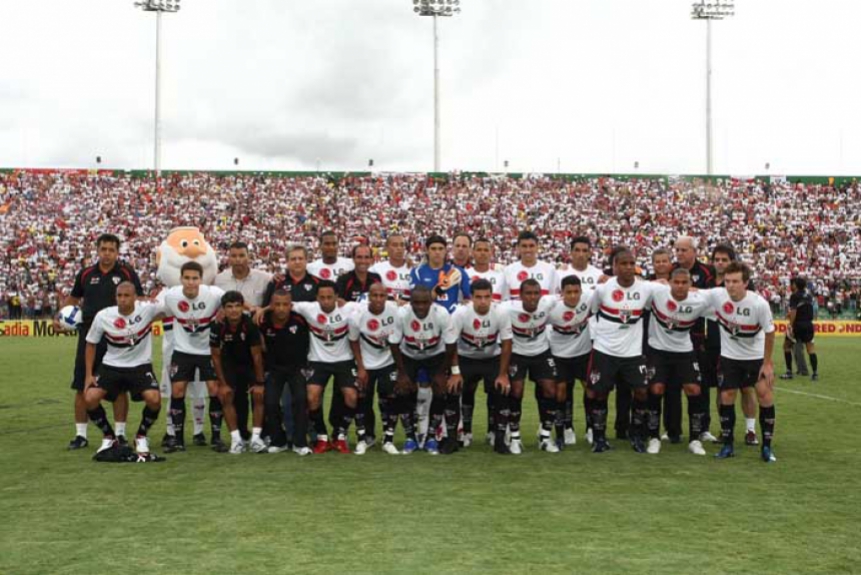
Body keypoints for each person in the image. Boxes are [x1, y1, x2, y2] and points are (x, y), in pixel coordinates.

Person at [57, 233, 142, 450]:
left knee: (119, 388)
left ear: (117, 251)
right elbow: (73, 299)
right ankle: (81, 435)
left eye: (111, 250)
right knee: (81, 385)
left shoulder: (126, 273)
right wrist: (60, 316)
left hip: (117, 337)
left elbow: (138, 299)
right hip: (88, 336)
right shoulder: (86, 274)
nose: (107, 253)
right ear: (98, 250)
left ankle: (120, 434)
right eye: (103, 249)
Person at [701, 262, 778, 462]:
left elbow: (770, 333)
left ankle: (767, 447)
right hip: (730, 357)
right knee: (726, 395)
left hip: (756, 357)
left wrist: (767, 363)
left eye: (735, 281)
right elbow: (694, 292)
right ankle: (727, 445)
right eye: (727, 281)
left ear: (745, 283)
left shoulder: (759, 304)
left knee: (764, 395)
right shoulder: (717, 296)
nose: (730, 285)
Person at [587, 248, 659, 453]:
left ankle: (636, 435)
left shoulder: (645, 289)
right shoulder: (603, 289)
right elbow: (593, 311)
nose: (629, 267)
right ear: (615, 266)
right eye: (624, 264)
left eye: (631, 263)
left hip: (633, 352)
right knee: (599, 393)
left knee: (642, 392)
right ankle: (599, 437)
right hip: (605, 350)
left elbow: (651, 304)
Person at [82, 281, 162, 460]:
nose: (123, 300)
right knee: (89, 398)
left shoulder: (147, 310)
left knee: (154, 400)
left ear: (135, 297)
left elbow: (170, 306)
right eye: (119, 296)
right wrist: (88, 375)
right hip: (112, 365)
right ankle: (109, 437)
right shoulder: (103, 316)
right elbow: (90, 344)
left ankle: (141, 436)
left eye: (127, 296)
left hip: (140, 365)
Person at [160, 262, 225, 453]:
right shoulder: (171, 296)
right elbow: (166, 316)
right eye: (187, 278)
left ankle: (216, 437)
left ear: (201, 279)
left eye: (195, 278)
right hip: (183, 350)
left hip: (208, 351)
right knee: (178, 391)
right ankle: (177, 440)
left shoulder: (213, 294)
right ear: (181, 279)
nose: (191, 282)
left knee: (214, 390)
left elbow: (232, 300)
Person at [645, 268, 711, 455]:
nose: (680, 286)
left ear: (690, 284)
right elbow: (633, 284)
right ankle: (654, 437)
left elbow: (722, 296)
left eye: (684, 282)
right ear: (670, 282)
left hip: (684, 350)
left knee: (694, 389)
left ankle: (695, 439)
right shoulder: (657, 292)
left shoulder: (699, 299)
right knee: (656, 388)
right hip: (657, 349)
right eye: (677, 282)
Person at [389, 286, 460, 455]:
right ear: (410, 302)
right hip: (409, 355)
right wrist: (402, 373)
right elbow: (393, 343)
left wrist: (441, 373)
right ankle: (410, 438)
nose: (421, 307)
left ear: (431, 301)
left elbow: (451, 345)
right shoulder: (401, 314)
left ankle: (431, 437)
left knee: (442, 391)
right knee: (401, 391)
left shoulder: (441, 314)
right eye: (416, 303)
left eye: (425, 303)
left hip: (436, 355)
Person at [291, 281, 360, 454]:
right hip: (317, 360)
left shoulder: (349, 308)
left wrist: (400, 303)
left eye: (330, 297)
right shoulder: (309, 308)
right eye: (322, 297)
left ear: (337, 297)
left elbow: (374, 303)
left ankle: (341, 435)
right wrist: (262, 309)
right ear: (317, 297)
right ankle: (322, 437)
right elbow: (282, 304)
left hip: (344, 359)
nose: (326, 301)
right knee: (312, 396)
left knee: (351, 396)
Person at [214, 241, 273, 442]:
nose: (238, 260)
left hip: (257, 340)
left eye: (242, 255)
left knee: (259, 389)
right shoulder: (219, 280)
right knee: (237, 393)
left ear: (249, 256)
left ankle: (263, 432)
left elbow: (274, 301)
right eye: (234, 256)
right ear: (228, 258)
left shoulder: (265, 279)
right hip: (232, 344)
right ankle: (242, 433)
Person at [449, 278, 513, 453]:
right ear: (472, 297)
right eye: (479, 297)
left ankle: (499, 439)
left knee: (502, 390)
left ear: (492, 296)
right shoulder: (460, 314)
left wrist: (503, 374)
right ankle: (454, 438)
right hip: (465, 358)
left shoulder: (501, 313)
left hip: (491, 358)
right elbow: (451, 343)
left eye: (487, 297)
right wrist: (455, 372)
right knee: (453, 389)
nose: (483, 301)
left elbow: (507, 343)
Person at [706, 244, 759, 445]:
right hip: (713, 343)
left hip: (739, 347)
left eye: (724, 260)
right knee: (722, 389)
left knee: (746, 388)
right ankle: (725, 429)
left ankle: (750, 430)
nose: (720, 263)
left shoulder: (744, 285)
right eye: (717, 259)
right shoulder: (708, 280)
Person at [498, 279, 559, 454]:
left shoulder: (548, 303)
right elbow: (491, 307)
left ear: (541, 294)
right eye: (528, 293)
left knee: (550, 390)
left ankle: (545, 436)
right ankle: (515, 437)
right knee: (516, 391)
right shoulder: (507, 308)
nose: (532, 297)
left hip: (542, 351)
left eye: (536, 293)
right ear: (520, 295)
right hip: (517, 353)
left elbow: (565, 297)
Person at [335, 244, 382, 448]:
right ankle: (339, 430)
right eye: (359, 257)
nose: (363, 261)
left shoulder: (375, 280)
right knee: (344, 390)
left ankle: (368, 433)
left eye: (366, 257)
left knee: (367, 391)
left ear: (371, 259)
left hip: (370, 342)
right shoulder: (345, 280)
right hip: (349, 341)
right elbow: (338, 302)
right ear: (353, 259)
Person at [673, 236, 718, 444]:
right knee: (672, 384)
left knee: (701, 384)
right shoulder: (673, 270)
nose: (679, 254)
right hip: (672, 336)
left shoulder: (707, 272)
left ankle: (703, 428)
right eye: (677, 250)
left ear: (693, 251)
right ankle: (672, 429)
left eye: (683, 250)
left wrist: (696, 291)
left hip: (698, 337)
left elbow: (712, 297)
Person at [349, 283, 402, 454]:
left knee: (391, 399)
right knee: (363, 399)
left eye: (382, 295)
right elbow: (354, 341)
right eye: (375, 295)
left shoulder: (396, 311)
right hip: (367, 364)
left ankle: (388, 439)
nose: (378, 299)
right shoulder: (357, 316)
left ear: (386, 296)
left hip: (388, 362)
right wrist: (361, 367)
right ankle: (365, 438)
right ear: (369, 296)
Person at [210, 291, 266, 454]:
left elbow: (256, 356)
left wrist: (259, 382)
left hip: (249, 365)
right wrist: (222, 383)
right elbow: (215, 356)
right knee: (226, 395)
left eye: (237, 306)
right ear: (223, 309)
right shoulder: (217, 326)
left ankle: (255, 439)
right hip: (229, 366)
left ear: (243, 307)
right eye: (229, 307)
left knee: (258, 395)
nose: (234, 310)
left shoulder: (250, 325)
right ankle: (236, 440)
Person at [258, 289, 312, 456]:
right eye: (277, 304)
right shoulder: (263, 321)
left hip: (297, 368)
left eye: (285, 304)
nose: (281, 308)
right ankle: (278, 441)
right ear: (271, 305)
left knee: (301, 400)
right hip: (274, 369)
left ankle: (300, 442)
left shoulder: (301, 320)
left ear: (291, 305)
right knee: (271, 403)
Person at [548, 275, 593, 449]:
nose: (573, 296)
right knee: (560, 392)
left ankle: (591, 429)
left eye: (576, 292)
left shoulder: (588, 299)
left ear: (581, 291)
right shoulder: (552, 307)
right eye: (569, 292)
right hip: (559, 355)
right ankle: (564, 431)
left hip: (583, 353)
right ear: (562, 293)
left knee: (590, 390)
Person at [410, 234, 471, 314]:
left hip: (451, 318)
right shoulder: (417, 272)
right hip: (427, 317)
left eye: (440, 249)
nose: (437, 252)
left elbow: (470, 297)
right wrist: (442, 286)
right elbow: (418, 301)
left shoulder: (457, 272)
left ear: (445, 250)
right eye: (433, 249)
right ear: (427, 251)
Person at [780, 276, 819, 382]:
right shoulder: (809, 296)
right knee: (810, 349)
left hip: (798, 324)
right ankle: (815, 374)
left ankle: (789, 372)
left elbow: (794, 312)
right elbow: (804, 308)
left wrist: (791, 325)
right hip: (809, 324)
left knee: (786, 346)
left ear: (795, 285)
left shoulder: (794, 296)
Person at [503, 231, 557, 299]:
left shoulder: (550, 270)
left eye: (531, 246)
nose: (528, 250)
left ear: (537, 247)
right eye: (524, 246)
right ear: (518, 248)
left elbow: (554, 298)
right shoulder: (508, 271)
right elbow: (505, 300)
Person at [369, 233, 412, 303]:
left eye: (402, 245)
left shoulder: (413, 270)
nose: (399, 248)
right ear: (387, 248)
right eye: (395, 245)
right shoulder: (376, 269)